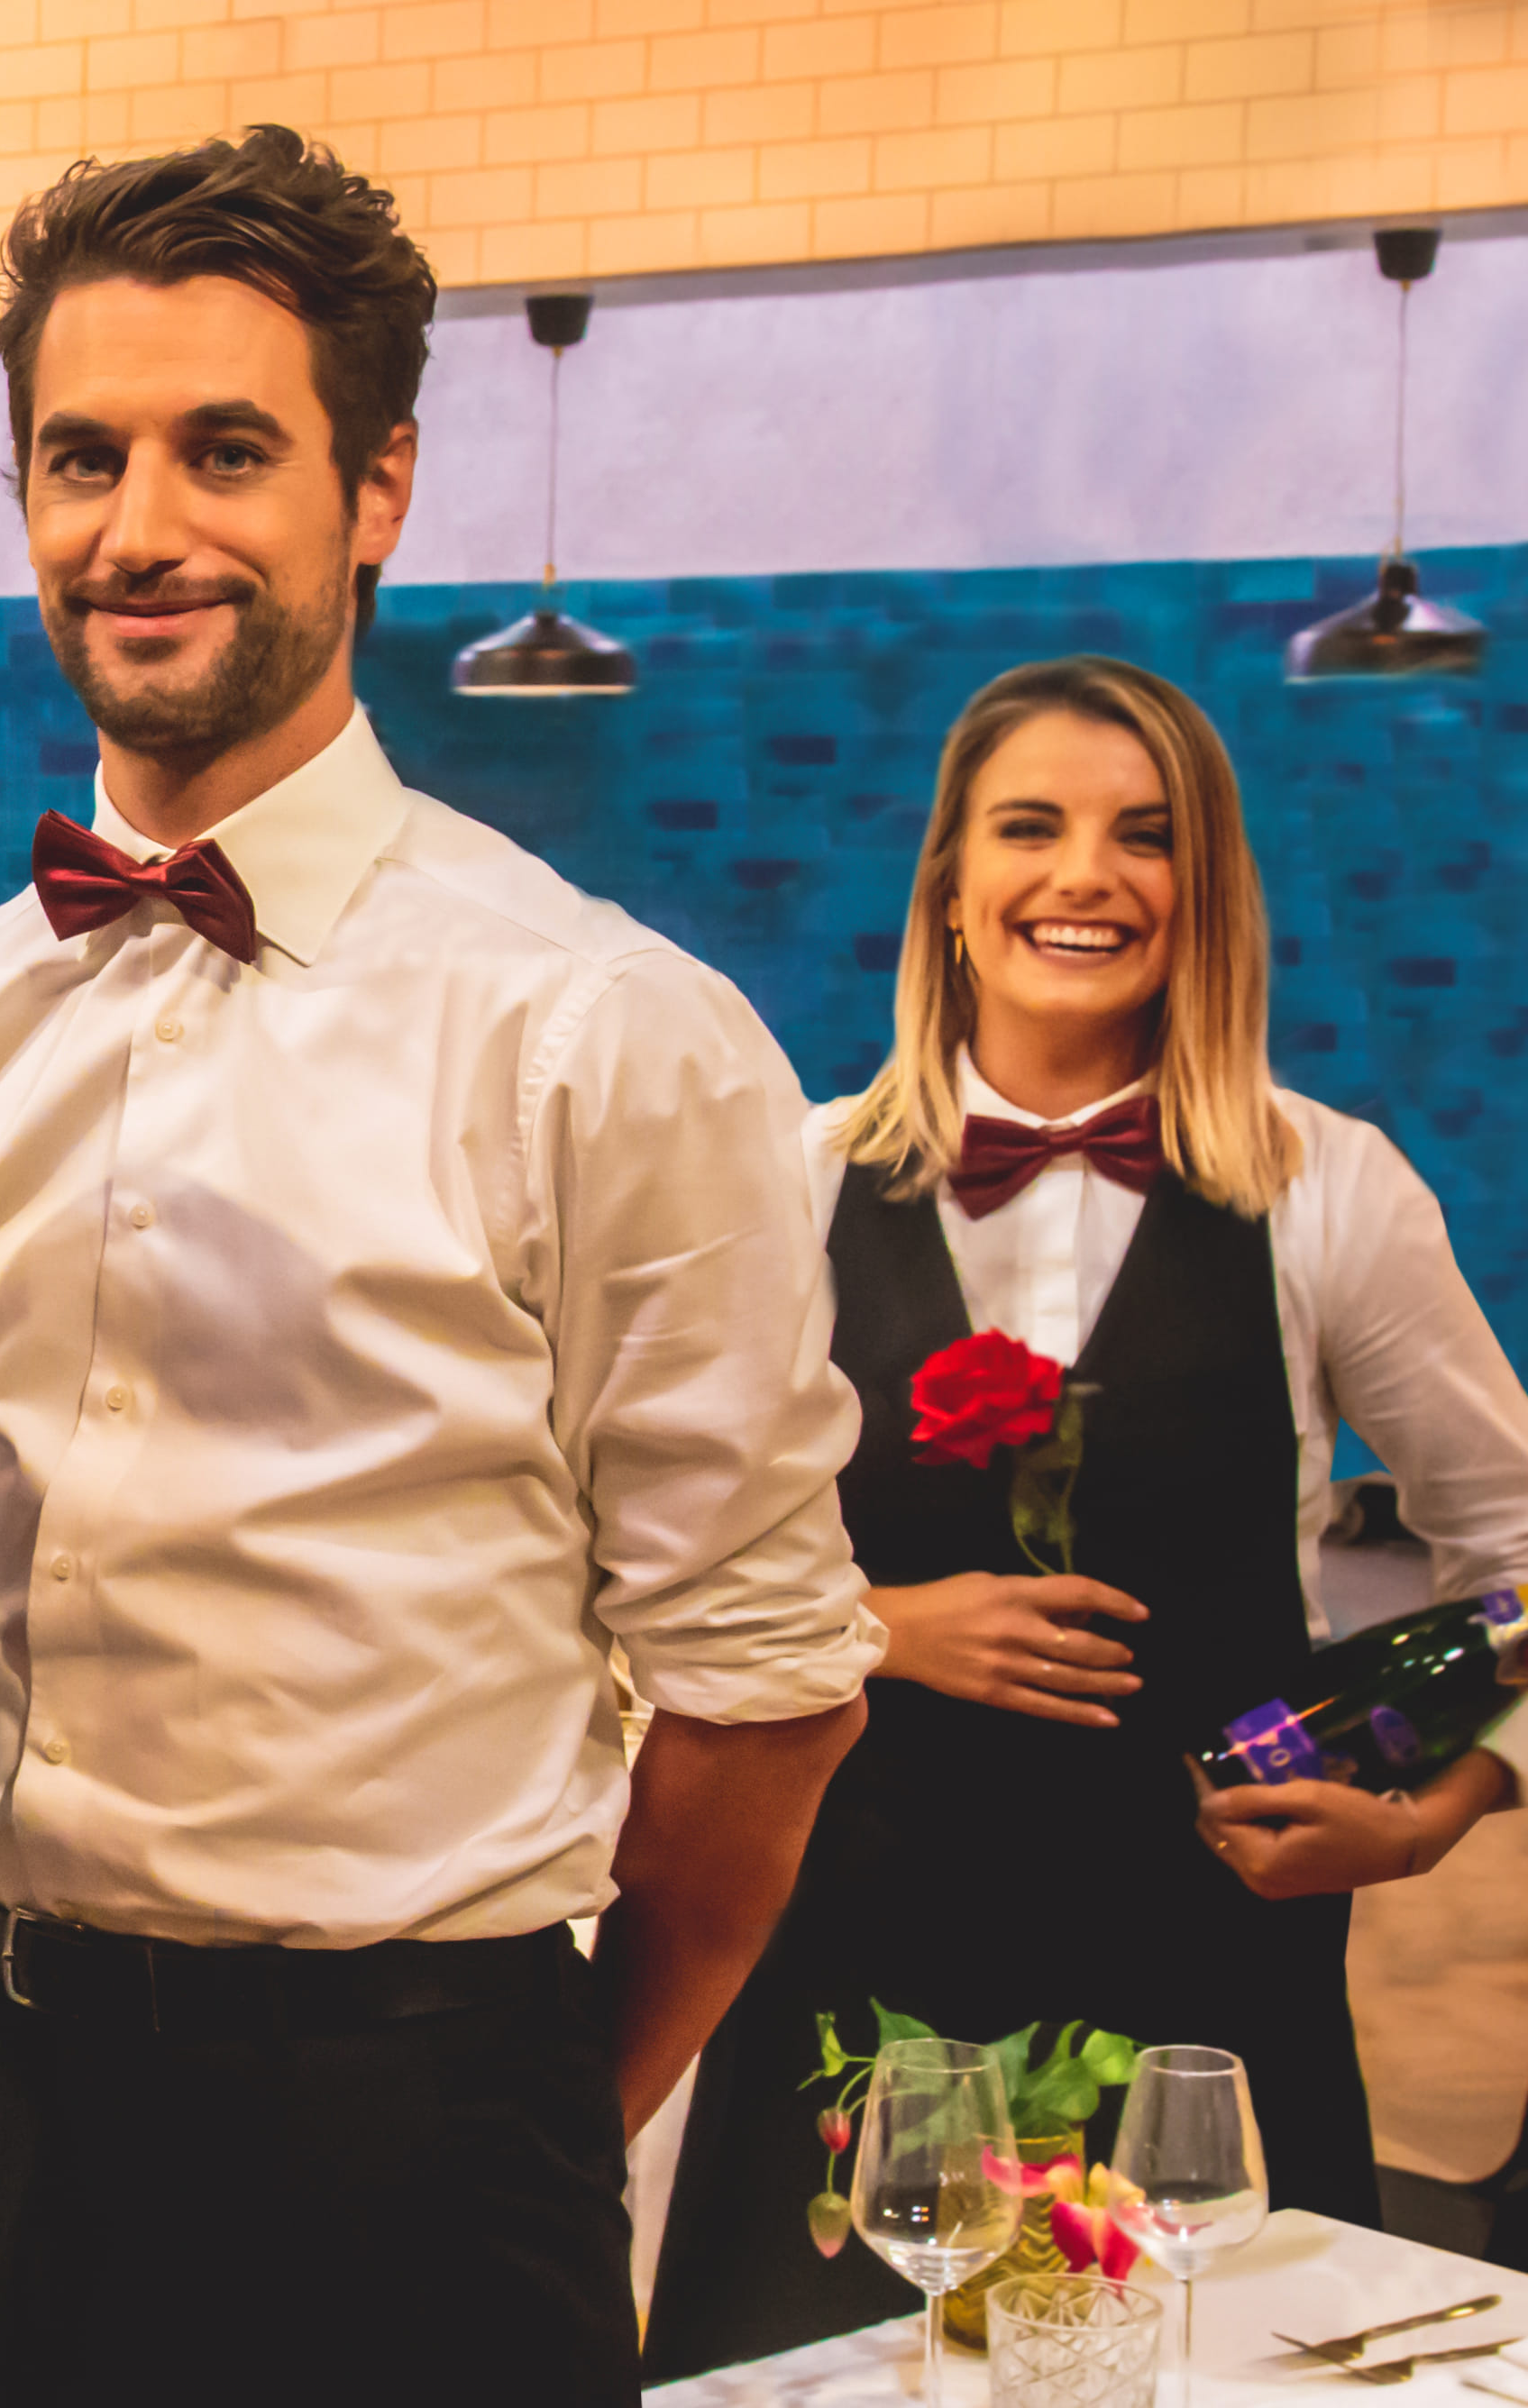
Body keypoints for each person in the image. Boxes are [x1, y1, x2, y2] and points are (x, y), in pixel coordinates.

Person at [0, 127, 878, 2408]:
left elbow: (767, 1696)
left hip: (420, 2129)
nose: (140, 528)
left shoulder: (601, 1031)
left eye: (227, 451)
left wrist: (529, 2105)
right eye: (82, 457)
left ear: (377, 485)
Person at [641, 656, 1528, 2376]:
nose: (1086, 875)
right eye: (1030, 827)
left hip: (1205, 1986)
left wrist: (1435, 1817)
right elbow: (641, 1561)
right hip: (854, 1970)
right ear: (951, 890)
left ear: (1206, 893)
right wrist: (879, 1626)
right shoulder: (788, 1183)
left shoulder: (1330, 1191)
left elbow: (1517, 1563)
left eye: (1146, 835)